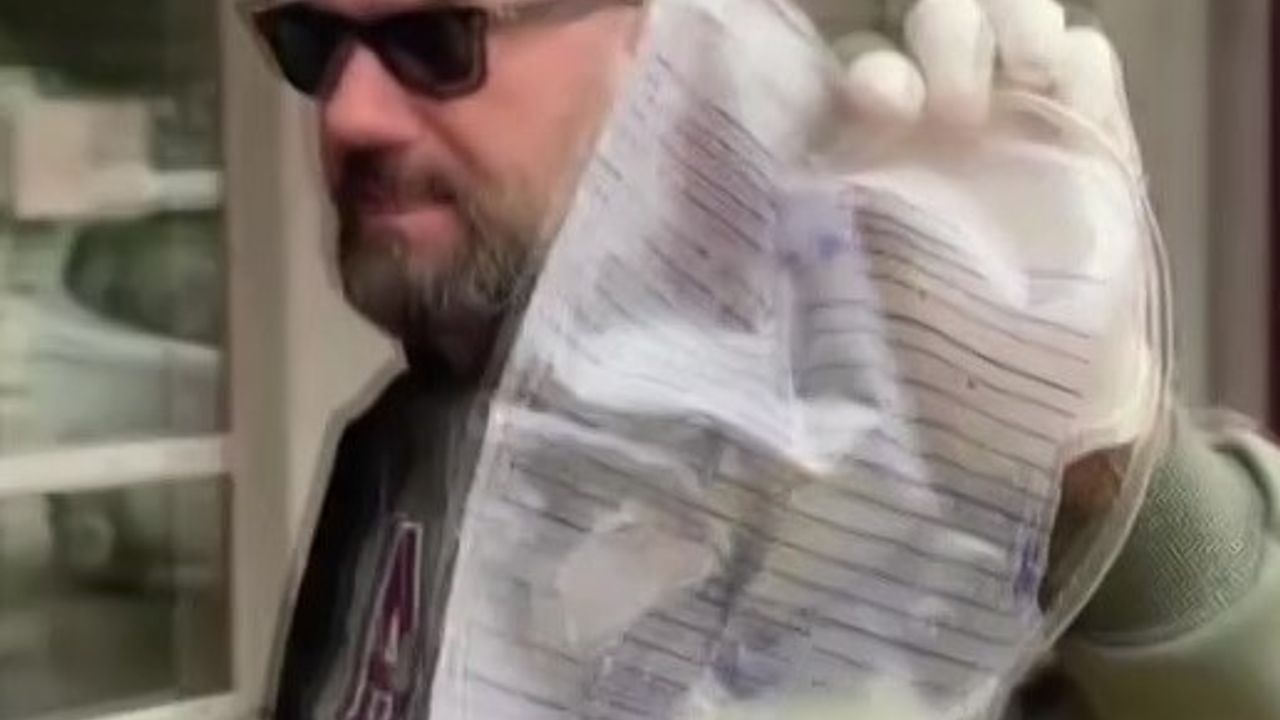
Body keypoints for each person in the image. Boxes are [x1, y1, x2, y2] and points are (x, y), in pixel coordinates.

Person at [241, 0, 1280, 717]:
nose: (347, 114)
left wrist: (1107, 477)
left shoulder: (855, 441)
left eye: (433, 39)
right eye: (310, 42)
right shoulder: (400, 440)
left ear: (661, 31)